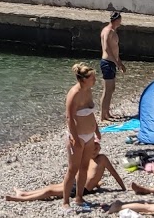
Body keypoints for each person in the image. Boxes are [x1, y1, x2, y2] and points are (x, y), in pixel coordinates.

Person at [5, 152, 127, 201]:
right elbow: (92, 174)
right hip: (76, 181)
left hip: (81, 188)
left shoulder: (102, 159)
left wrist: (123, 188)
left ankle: (21, 199)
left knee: (50, 191)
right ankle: (24, 193)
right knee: (51, 186)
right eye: (93, 148)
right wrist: (97, 184)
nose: (95, 150)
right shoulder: (88, 157)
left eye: (97, 147)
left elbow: (114, 173)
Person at [63, 63, 102, 210]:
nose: (95, 80)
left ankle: (79, 197)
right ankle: (65, 202)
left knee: (84, 167)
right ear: (84, 79)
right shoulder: (74, 93)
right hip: (77, 136)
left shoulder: (88, 91)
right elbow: (69, 118)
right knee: (73, 169)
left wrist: (97, 129)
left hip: (89, 135)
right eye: (93, 78)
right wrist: (74, 137)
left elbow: (91, 113)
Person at [100, 11, 128, 120]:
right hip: (107, 62)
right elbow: (107, 48)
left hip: (112, 62)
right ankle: (103, 116)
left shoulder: (113, 31)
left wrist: (120, 63)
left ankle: (107, 113)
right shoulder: (108, 31)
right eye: (120, 20)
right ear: (116, 20)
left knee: (111, 89)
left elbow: (115, 50)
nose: (121, 22)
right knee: (107, 90)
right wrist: (116, 63)